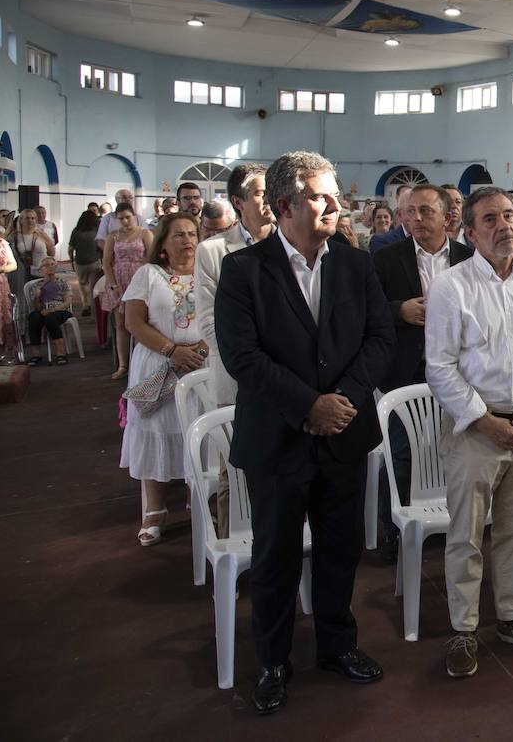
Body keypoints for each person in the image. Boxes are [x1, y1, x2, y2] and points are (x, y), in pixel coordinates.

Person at [216, 151, 395, 715]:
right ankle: (272, 660)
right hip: (278, 439)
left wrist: (340, 401)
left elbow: (379, 339)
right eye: (321, 196)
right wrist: (307, 406)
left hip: (343, 432)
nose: (335, 205)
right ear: (283, 205)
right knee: (275, 556)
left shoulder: (353, 263)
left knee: (341, 550)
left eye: (333, 194)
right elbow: (242, 357)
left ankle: (338, 646)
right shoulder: (245, 270)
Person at [425, 186, 513, 678]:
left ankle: (511, 615)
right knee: (465, 535)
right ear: (469, 232)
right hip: (477, 431)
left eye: (509, 216)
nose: (504, 226)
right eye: (490, 220)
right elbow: (439, 368)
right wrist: (484, 420)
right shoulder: (452, 287)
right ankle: (463, 628)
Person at [373, 184, 473, 561]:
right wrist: (399, 310)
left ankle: (455, 521)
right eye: (410, 211)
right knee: (401, 449)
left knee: (457, 447)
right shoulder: (386, 258)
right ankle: (393, 530)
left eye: (426, 211)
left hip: (458, 368)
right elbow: (366, 310)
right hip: (406, 366)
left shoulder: (467, 257)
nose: (416, 219)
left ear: (448, 217)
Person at [119, 216, 205, 544]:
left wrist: (202, 346)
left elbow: (221, 315)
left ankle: (197, 497)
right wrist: (172, 350)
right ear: (164, 244)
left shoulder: (208, 273)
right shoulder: (148, 275)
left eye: (192, 234)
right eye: (179, 234)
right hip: (159, 362)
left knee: (197, 432)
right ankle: (154, 509)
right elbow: (134, 323)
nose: (187, 240)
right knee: (157, 431)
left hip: (200, 363)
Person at [195, 163, 274, 408]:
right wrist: (259, 364)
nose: (270, 199)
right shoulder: (212, 251)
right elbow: (209, 323)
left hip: (290, 378)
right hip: (236, 376)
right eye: (261, 193)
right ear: (238, 202)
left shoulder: (292, 245)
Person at [101, 203, 153, 379]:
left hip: (140, 278)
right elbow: (107, 262)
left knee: (140, 323)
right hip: (119, 281)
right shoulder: (112, 237)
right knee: (121, 324)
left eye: (127, 217)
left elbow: (152, 256)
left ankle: (141, 364)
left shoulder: (144, 233)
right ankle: (123, 365)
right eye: (121, 218)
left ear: (134, 216)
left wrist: (144, 276)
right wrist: (113, 285)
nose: (124, 221)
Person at [26, 257, 75, 365]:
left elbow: (67, 302)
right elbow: (37, 308)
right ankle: (36, 354)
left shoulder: (62, 282)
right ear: (41, 270)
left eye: (53, 264)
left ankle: (61, 352)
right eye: (47, 265)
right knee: (33, 317)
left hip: (60, 309)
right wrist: (36, 298)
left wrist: (52, 309)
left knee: (50, 318)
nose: (50, 267)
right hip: (43, 310)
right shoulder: (36, 285)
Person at [10, 208, 54, 320]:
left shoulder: (41, 235)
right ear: (21, 220)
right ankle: (24, 327)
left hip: (40, 273)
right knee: (24, 299)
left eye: (33, 218)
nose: (30, 220)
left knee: (41, 300)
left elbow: (51, 252)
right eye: (27, 218)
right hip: (21, 273)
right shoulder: (14, 236)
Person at [68, 209, 102, 315]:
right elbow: (101, 247)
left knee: (83, 285)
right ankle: (95, 306)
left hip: (80, 262)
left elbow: (70, 248)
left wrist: (71, 260)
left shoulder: (76, 231)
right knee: (95, 284)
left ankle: (85, 305)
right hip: (94, 261)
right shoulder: (97, 232)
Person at [370, 186, 413, 254]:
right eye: (411, 210)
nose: (418, 216)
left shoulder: (426, 238)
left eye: (386, 217)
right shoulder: (380, 240)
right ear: (400, 214)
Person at [0, 235, 18, 364]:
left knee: (3, 318)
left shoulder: (2, 244)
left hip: (0, 287)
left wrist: (0, 269)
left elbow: (13, 265)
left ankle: (3, 353)